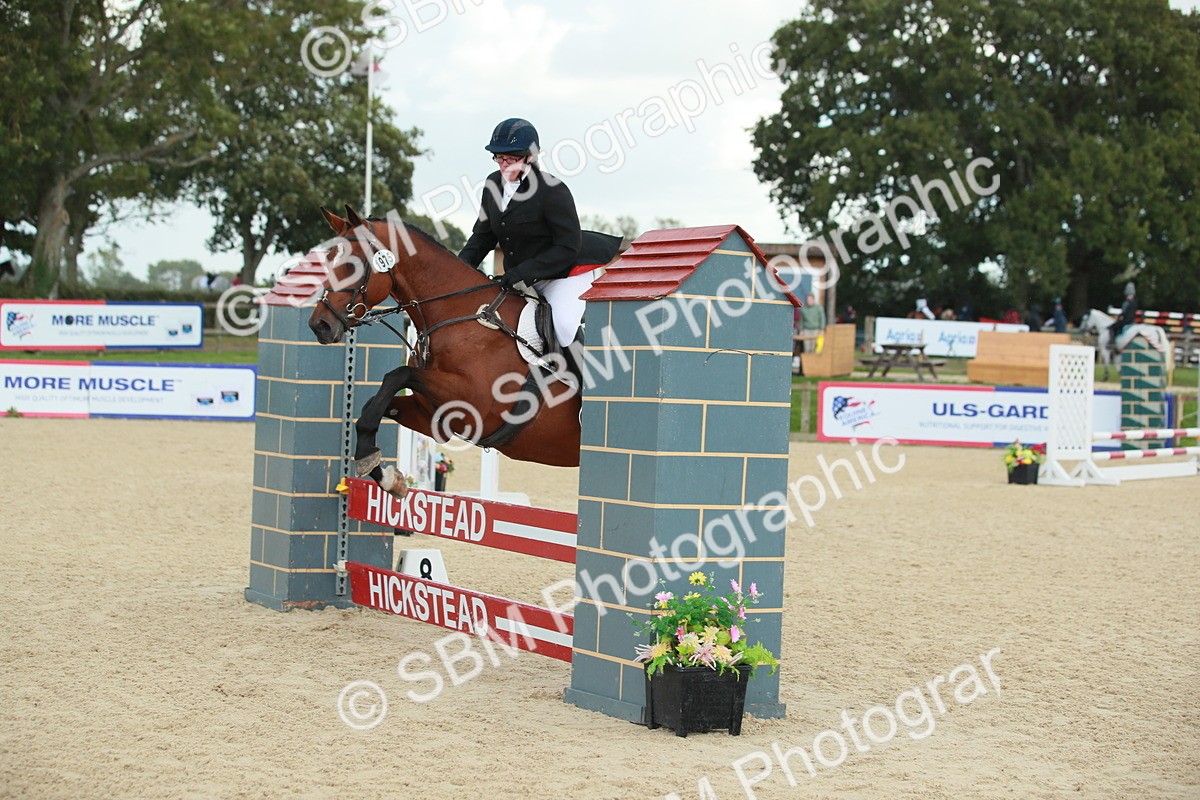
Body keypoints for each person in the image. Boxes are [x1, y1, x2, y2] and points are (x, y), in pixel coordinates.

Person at [457, 118, 621, 349]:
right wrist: (458, 268)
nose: (504, 165)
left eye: (511, 159)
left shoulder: (553, 190)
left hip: (563, 275)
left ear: (530, 157)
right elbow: (483, 236)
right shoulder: (492, 184)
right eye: (499, 158)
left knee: (563, 328)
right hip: (520, 276)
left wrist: (521, 273)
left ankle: (585, 369)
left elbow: (567, 247)